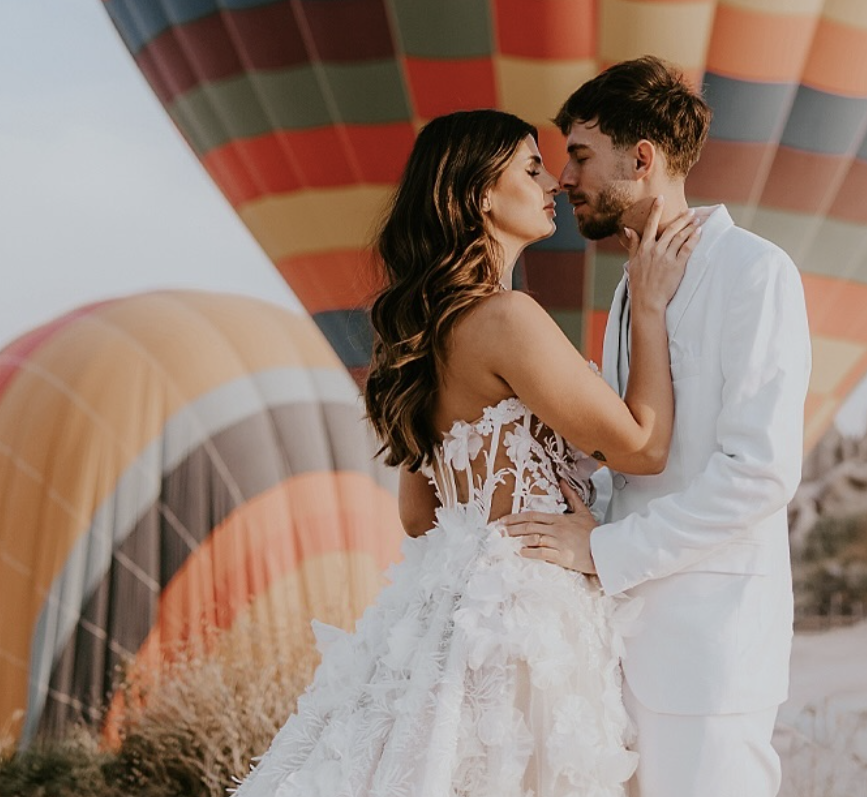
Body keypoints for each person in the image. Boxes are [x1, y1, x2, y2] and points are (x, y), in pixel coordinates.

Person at [234, 108, 698, 797]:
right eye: (530, 167)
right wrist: (652, 309)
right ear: (482, 193)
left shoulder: (415, 339)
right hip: (524, 608)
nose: (553, 181)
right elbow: (644, 444)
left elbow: (421, 516)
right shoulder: (507, 319)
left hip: (442, 610)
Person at [501, 57, 812, 797]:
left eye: (579, 155)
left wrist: (603, 548)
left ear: (641, 159)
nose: (563, 178)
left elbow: (760, 473)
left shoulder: (755, 273)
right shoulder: (630, 286)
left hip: (709, 647)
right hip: (613, 645)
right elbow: (629, 458)